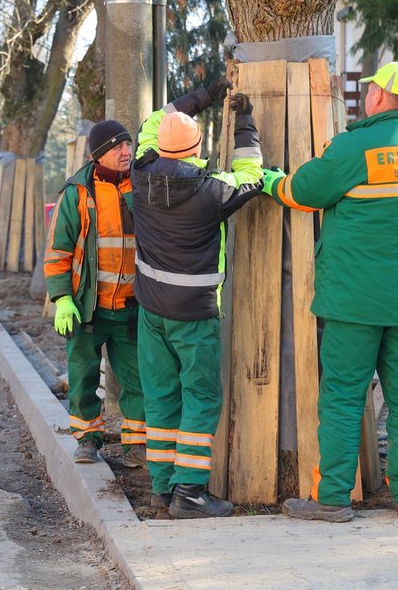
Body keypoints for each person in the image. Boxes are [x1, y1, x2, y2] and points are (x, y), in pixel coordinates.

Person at [261, 61, 398, 522]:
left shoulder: (354, 147)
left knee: (342, 397)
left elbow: (304, 192)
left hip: (354, 302)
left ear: (377, 98)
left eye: (369, 89)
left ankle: (332, 498)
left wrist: (271, 181)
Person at [131, 79, 264, 519]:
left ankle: (161, 488)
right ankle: (190, 494)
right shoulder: (212, 191)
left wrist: (203, 95)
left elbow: (154, 119)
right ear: (197, 147)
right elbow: (252, 176)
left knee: (161, 396)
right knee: (201, 398)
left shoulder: (139, 170)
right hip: (194, 313)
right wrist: (244, 122)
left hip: (151, 311)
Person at [44, 120, 146, 467]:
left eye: (128, 145)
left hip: (131, 307)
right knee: (83, 377)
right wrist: (62, 299)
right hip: (88, 308)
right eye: (118, 147)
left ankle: (137, 445)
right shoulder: (77, 192)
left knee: (138, 379)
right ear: (98, 154)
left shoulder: (140, 185)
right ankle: (88, 439)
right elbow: (58, 251)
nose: (126, 152)